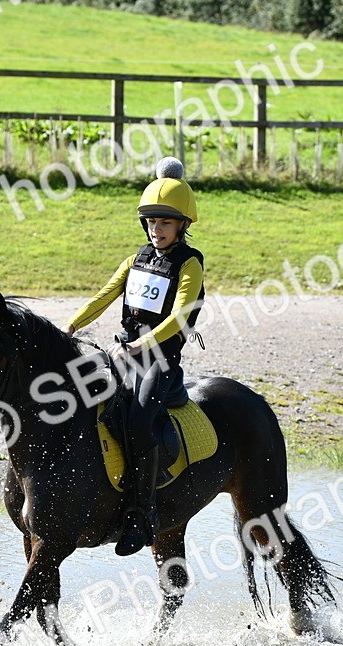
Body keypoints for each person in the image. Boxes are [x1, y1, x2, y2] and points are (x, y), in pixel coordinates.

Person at [63, 157, 206, 556]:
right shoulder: (136, 259)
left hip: (158, 362)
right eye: (151, 223)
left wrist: (144, 345)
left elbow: (179, 316)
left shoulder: (189, 263)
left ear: (182, 226)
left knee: (141, 421)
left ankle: (143, 514)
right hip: (122, 354)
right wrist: (71, 326)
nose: (155, 230)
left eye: (164, 223)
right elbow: (104, 295)